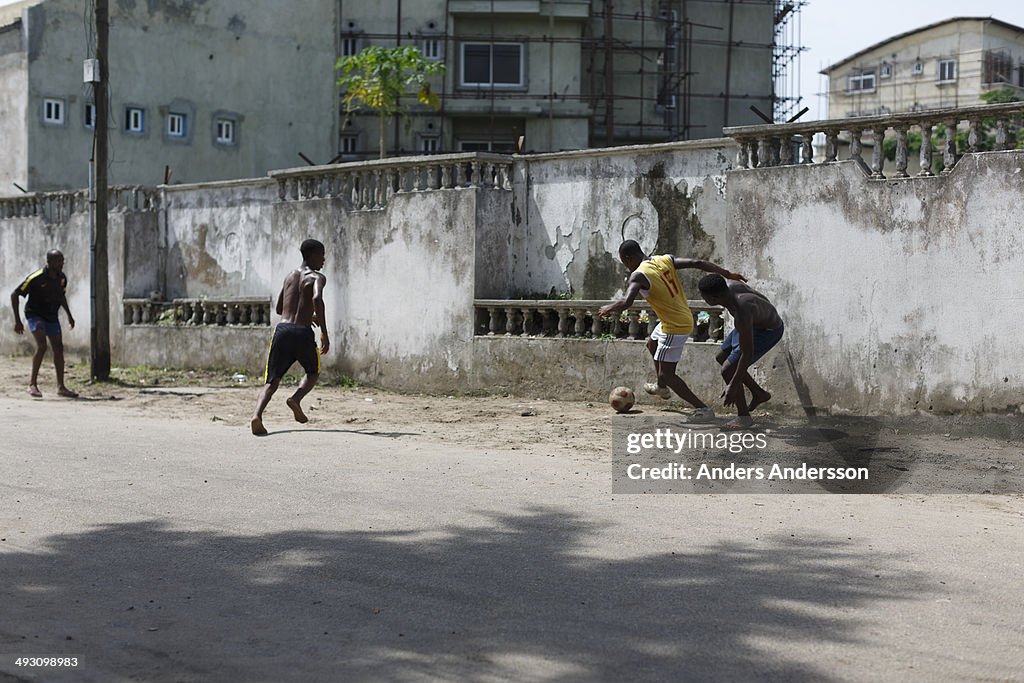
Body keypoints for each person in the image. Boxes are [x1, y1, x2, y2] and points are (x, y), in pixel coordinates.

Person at [598, 240, 746, 419]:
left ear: (628, 259)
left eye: (624, 263)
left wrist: (609, 307)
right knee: (652, 344)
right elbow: (697, 263)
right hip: (676, 318)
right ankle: (661, 387)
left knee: (668, 374)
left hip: (674, 325)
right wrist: (728, 274)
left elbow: (626, 302)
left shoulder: (638, 276)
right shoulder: (663, 259)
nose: (627, 267)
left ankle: (703, 409)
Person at [251, 239, 330, 436]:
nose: (324, 260)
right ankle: (296, 399)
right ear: (312, 255)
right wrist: (324, 332)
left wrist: (302, 312)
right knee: (313, 372)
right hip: (302, 332)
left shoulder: (289, 277)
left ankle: (257, 416)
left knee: (272, 380)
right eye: (321, 255)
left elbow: (279, 308)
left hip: (283, 331)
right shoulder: (317, 277)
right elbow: (316, 299)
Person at [697, 273, 784, 429]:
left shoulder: (742, 309)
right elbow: (763, 299)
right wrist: (759, 316)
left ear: (715, 296)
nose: (704, 300)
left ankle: (743, 417)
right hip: (751, 324)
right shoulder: (732, 285)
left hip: (768, 331)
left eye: (705, 297)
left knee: (728, 370)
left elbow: (747, 353)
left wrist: (733, 385)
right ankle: (759, 393)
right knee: (721, 357)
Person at [10, 249, 78, 398]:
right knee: (42, 345)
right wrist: (17, 320)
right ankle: (32, 385)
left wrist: (69, 316)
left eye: (62, 261)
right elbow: (15, 294)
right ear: (49, 262)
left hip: (51, 315)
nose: (62, 264)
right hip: (35, 314)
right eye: (58, 261)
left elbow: (61, 297)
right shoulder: (36, 277)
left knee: (58, 348)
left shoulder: (62, 278)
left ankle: (61, 387)